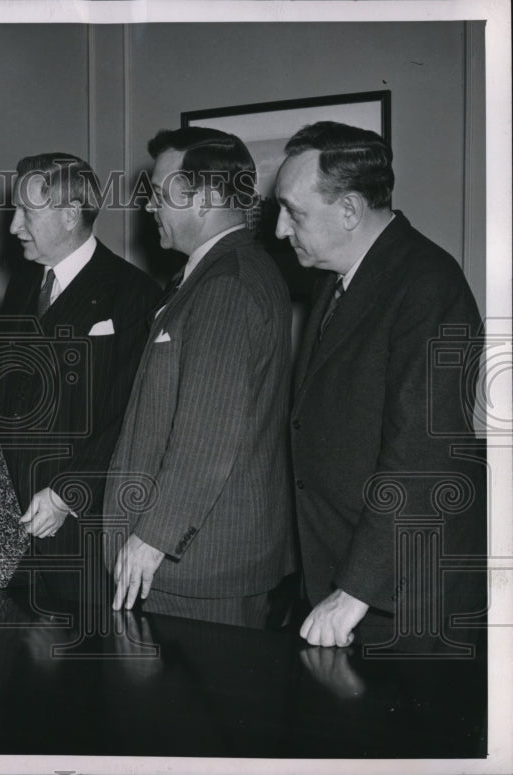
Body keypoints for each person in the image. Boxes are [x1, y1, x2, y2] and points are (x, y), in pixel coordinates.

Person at [275, 121, 485, 648]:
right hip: (345, 577)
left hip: (399, 596)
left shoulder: (429, 284)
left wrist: (353, 591)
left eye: (293, 213)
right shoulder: (337, 278)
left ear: (348, 211)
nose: (279, 229)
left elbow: (423, 455)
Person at [104, 127, 296, 628]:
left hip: (196, 569)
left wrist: (154, 537)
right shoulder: (224, 272)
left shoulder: (226, 284)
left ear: (206, 199)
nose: (148, 208)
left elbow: (208, 435)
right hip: (199, 561)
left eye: (160, 193)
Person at [0, 153, 160, 601]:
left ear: (70, 215)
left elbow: (133, 416)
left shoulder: (134, 294)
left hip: (81, 539)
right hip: (9, 535)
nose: (13, 226)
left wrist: (68, 494)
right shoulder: (22, 286)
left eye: (26, 212)